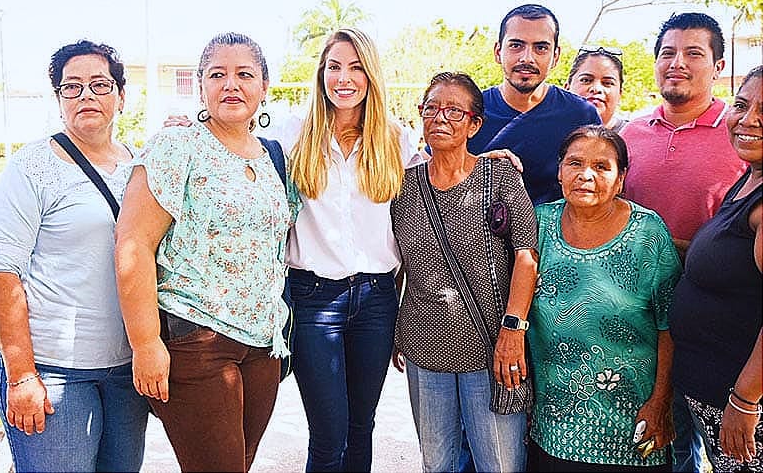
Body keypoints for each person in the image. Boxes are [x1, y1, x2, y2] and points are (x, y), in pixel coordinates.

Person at [114, 32, 295, 472]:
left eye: (244, 74)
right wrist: (145, 343)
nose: (231, 84)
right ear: (201, 87)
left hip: (262, 347)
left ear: (264, 87)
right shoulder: (176, 147)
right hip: (197, 342)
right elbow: (133, 244)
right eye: (218, 74)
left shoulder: (271, 158)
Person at [0, 40, 149, 472]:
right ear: (58, 100)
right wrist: (21, 375)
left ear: (121, 96)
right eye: (71, 87)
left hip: (125, 373)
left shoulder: (140, 166)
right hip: (55, 373)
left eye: (99, 85)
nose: (86, 96)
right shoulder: (32, 167)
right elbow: (2, 274)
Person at [286, 28, 423, 472]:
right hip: (312, 300)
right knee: (329, 434)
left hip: (377, 300)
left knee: (362, 427)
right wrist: (189, 125)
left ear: (371, 75)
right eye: (334, 67)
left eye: (356, 67)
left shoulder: (396, 140)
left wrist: (489, 159)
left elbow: (445, 176)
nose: (344, 78)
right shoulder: (292, 135)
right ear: (321, 74)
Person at [391, 71, 538, 472]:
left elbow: (527, 256)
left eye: (454, 111)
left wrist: (513, 330)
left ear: (474, 123)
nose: (440, 118)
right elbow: (397, 263)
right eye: (431, 108)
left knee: (500, 463)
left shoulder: (500, 177)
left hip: (493, 348)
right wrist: (395, 332)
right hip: (425, 345)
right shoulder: (402, 188)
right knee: (437, 463)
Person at [620, 12, 748, 471]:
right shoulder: (629, 134)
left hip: (722, 334)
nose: (677, 63)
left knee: (717, 450)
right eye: (667, 53)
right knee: (661, 445)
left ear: (717, 65)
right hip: (640, 326)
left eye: (694, 53)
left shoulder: (741, 133)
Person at [527, 125, 682, 471]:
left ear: (622, 177)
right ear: (559, 170)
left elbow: (670, 326)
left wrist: (661, 402)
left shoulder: (648, 233)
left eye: (601, 167)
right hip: (554, 424)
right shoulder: (540, 224)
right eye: (575, 163)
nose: (586, 175)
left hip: (631, 423)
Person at [669, 65, 762, 472]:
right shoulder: (748, 180)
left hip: (741, 404)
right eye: (742, 105)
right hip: (709, 387)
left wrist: (745, 399)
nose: (749, 119)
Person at [467, 3, 601, 205]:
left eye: (540, 48)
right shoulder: (467, 110)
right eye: (516, 45)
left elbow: (601, 186)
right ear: (498, 51)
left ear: (555, 56)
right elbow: (432, 178)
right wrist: (473, 169)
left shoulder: (582, 115)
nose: (527, 58)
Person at [566, 45, 628, 132]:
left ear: (620, 94)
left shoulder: (632, 136)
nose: (596, 88)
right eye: (586, 80)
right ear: (567, 88)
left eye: (607, 83)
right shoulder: (551, 129)